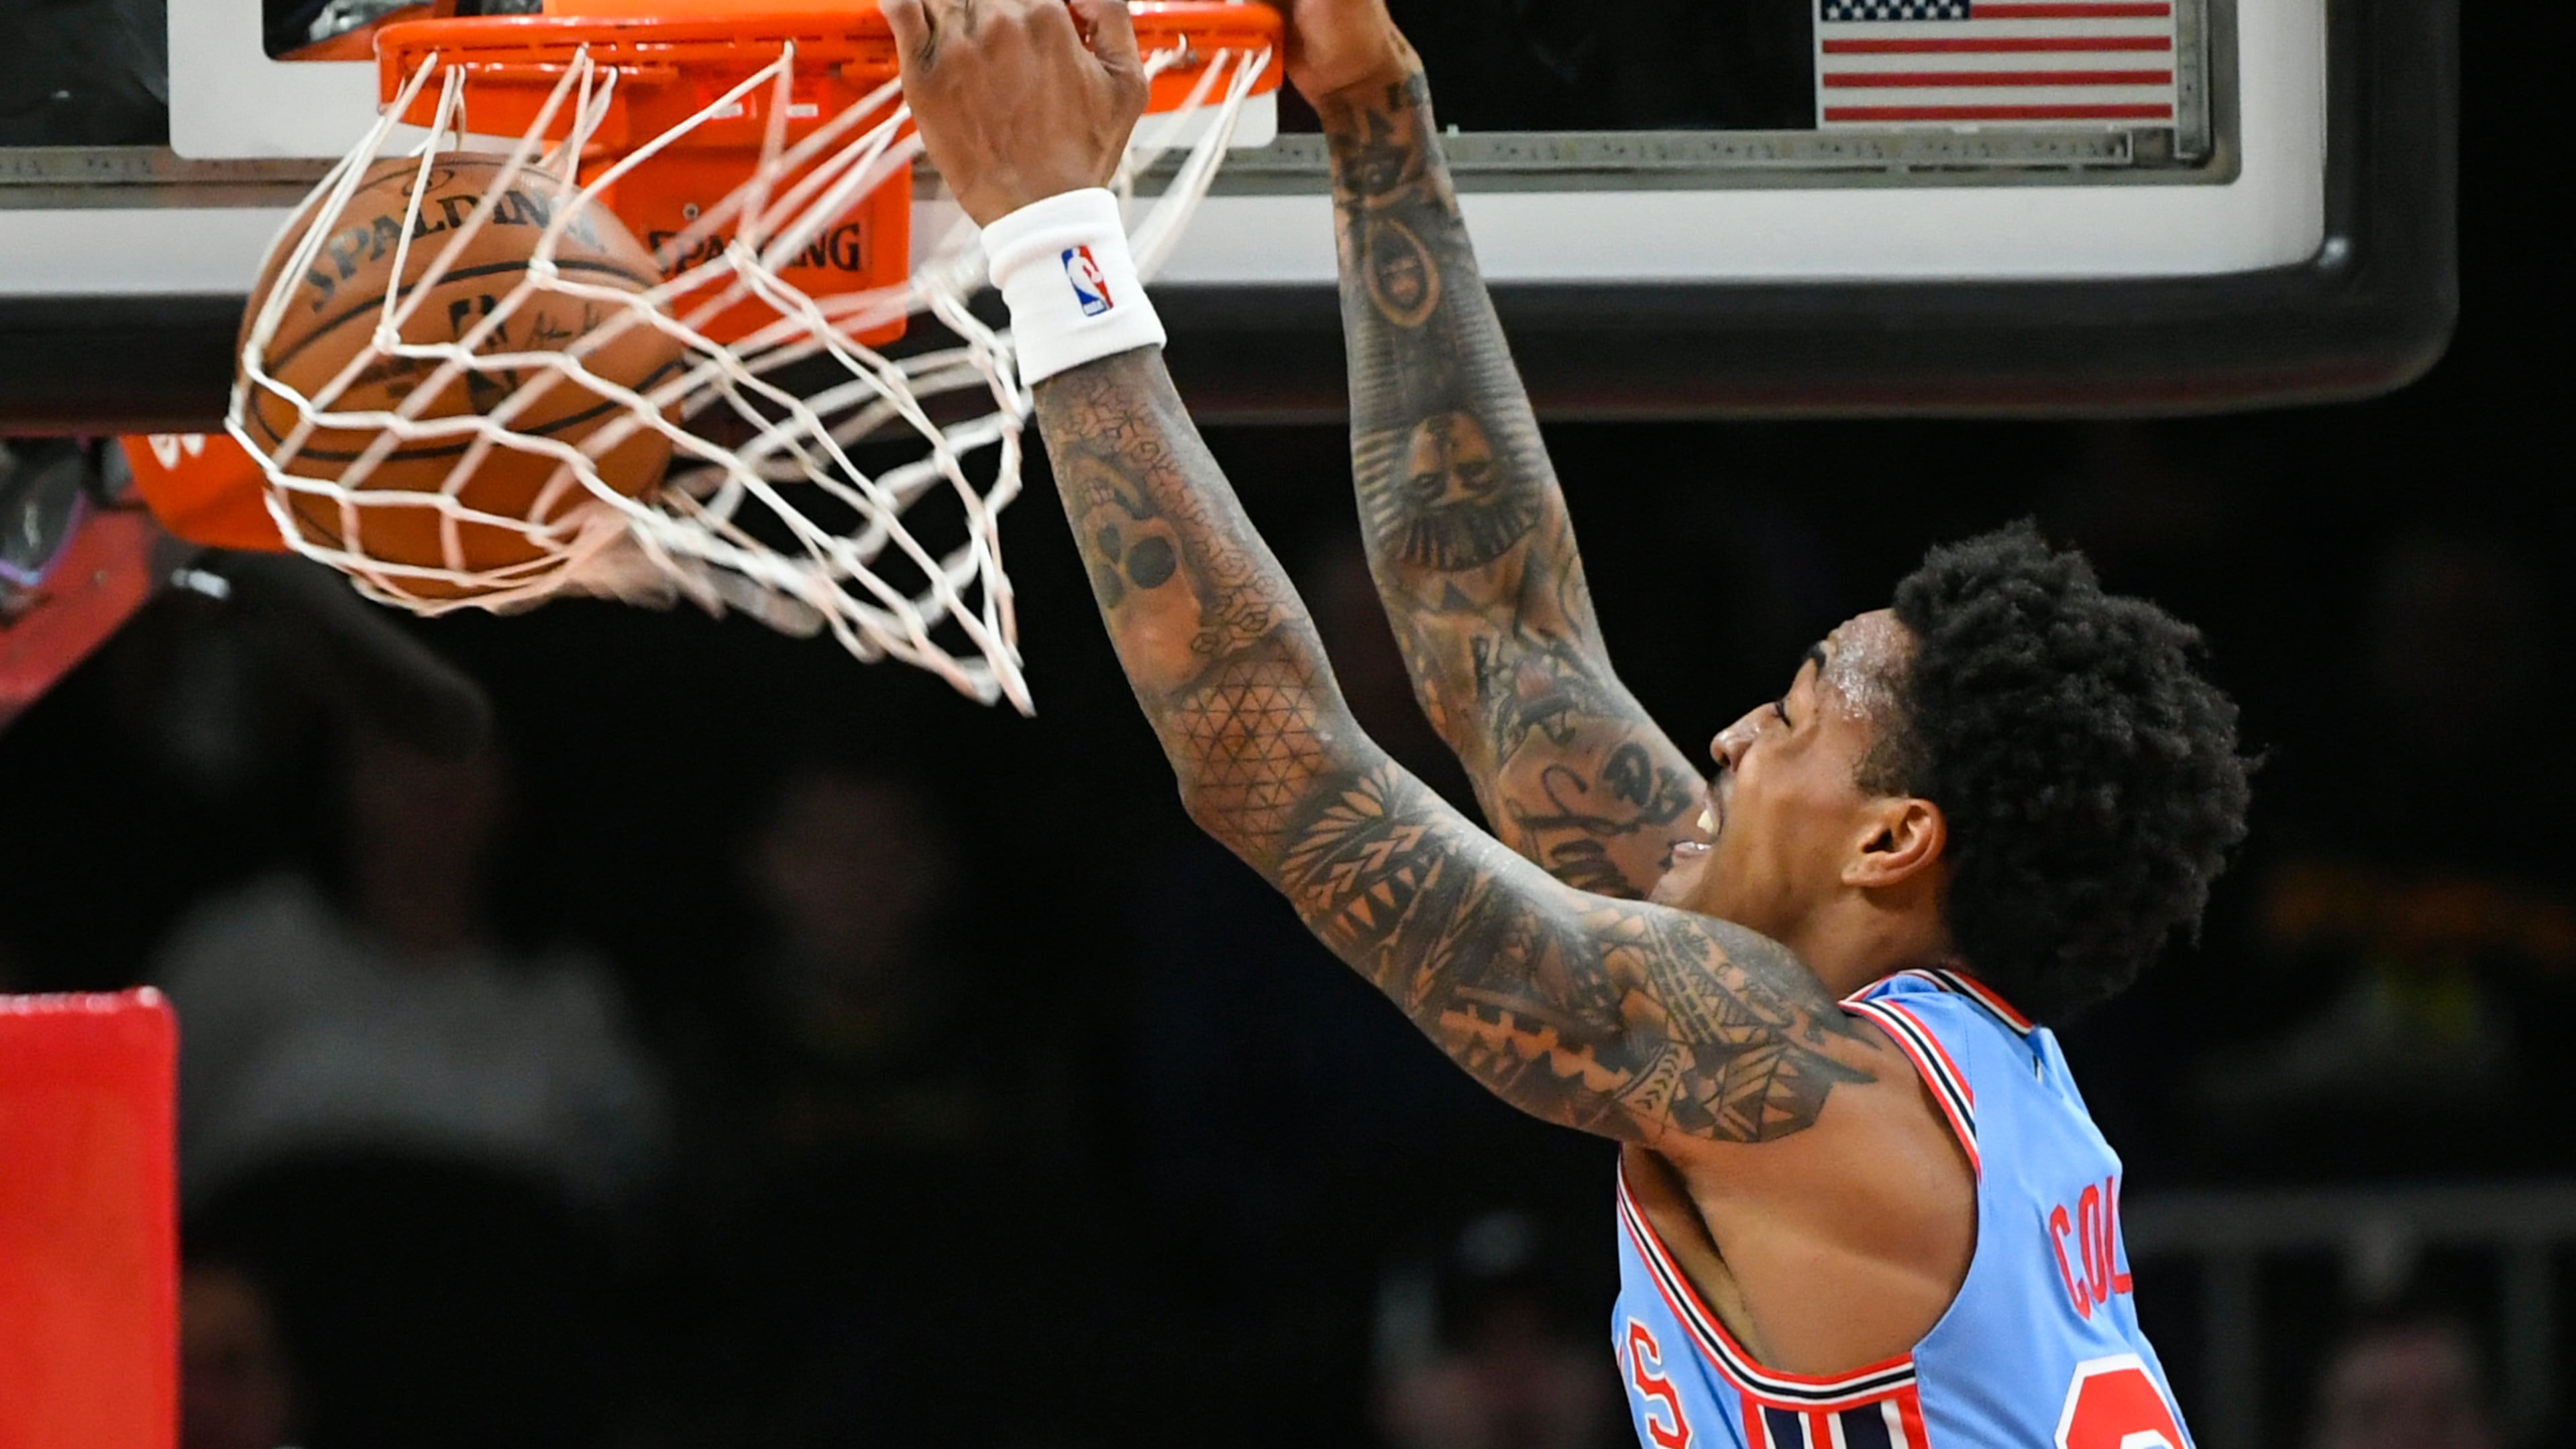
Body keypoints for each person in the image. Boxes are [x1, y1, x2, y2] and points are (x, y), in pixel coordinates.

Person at [884, 2, 2250, 1445]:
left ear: (1896, 839)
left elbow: (1273, 767)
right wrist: (1373, 103)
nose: (1727, 739)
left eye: (1791, 720)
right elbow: (1501, 635)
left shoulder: (1806, 1087)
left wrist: (1049, 236)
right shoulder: (1885, 1048)